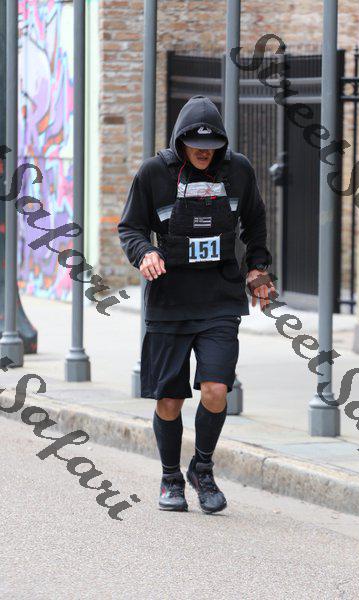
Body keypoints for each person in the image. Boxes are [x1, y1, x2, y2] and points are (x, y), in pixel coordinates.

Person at [118, 94, 275, 514]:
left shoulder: (238, 171)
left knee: (217, 390)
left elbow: (255, 223)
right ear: (181, 141)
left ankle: (202, 469)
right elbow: (130, 228)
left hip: (220, 300)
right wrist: (144, 253)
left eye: (212, 144)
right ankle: (170, 476)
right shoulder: (154, 173)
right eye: (195, 144)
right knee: (169, 400)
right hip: (169, 303)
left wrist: (258, 268)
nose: (204, 151)